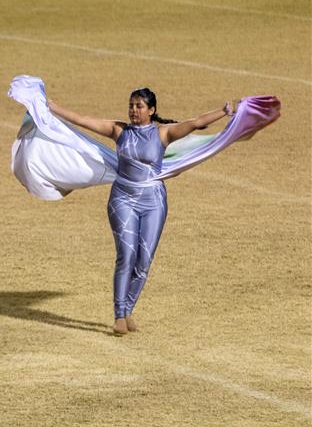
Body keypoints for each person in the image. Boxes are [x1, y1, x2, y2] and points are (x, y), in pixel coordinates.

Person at [48, 88, 235, 336]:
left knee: (143, 261)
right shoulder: (119, 131)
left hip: (154, 201)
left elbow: (195, 123)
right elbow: (82, 120)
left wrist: (223, 112)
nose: (134, 111)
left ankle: (128, 310)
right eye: (131, 106)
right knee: (126, 254)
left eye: (139, 106)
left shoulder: (163, 134)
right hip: (123, 198)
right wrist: (52, 107)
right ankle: (118, 315)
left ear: (151, 110)